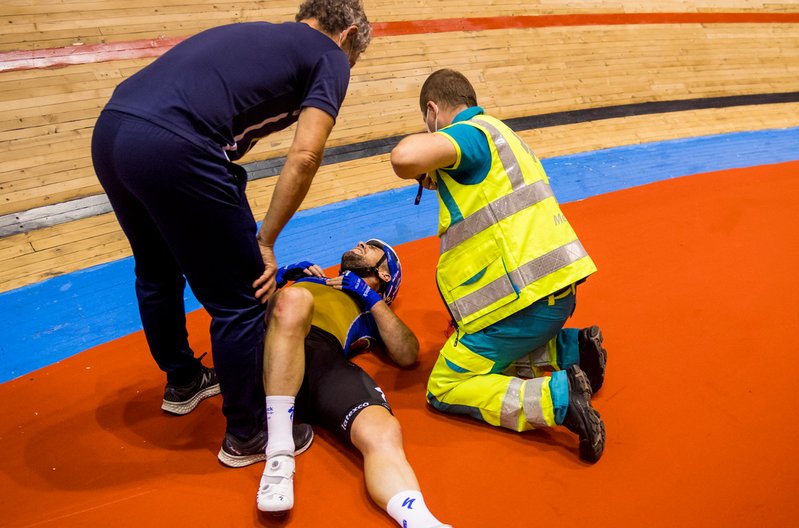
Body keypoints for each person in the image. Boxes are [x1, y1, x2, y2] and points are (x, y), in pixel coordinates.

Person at [89, 0, 372, 467]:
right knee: (242, 294)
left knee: (157, 269)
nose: (350, 68)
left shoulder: (262, 37)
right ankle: (248, 433)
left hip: (113, 127)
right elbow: (305, 156)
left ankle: (182, 381)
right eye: (355, 58)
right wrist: (264, 239)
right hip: (173, 143)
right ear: (348, 34)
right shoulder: (329, 55)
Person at [389, 69, 608, 462]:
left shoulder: (468, 135)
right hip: (555, 295)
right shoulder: (503, 135)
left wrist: (433, 146)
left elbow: (403, 157)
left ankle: (557, 399)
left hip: (523, 305)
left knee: (445, 384)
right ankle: (573, 349)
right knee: (486, 350)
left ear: (432, 111)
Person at [257, 239, 451, 527]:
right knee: (295, 300)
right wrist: (281, 275)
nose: (362, 242)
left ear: (385, 276)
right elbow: (238, 304)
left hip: (321, 359)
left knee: (384, 431)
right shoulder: (306, 283)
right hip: (269, 344)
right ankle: (280, 454)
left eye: (373, 247)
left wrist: (372, 300)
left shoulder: (370, 311)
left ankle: (422, 521)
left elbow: (408, 353)